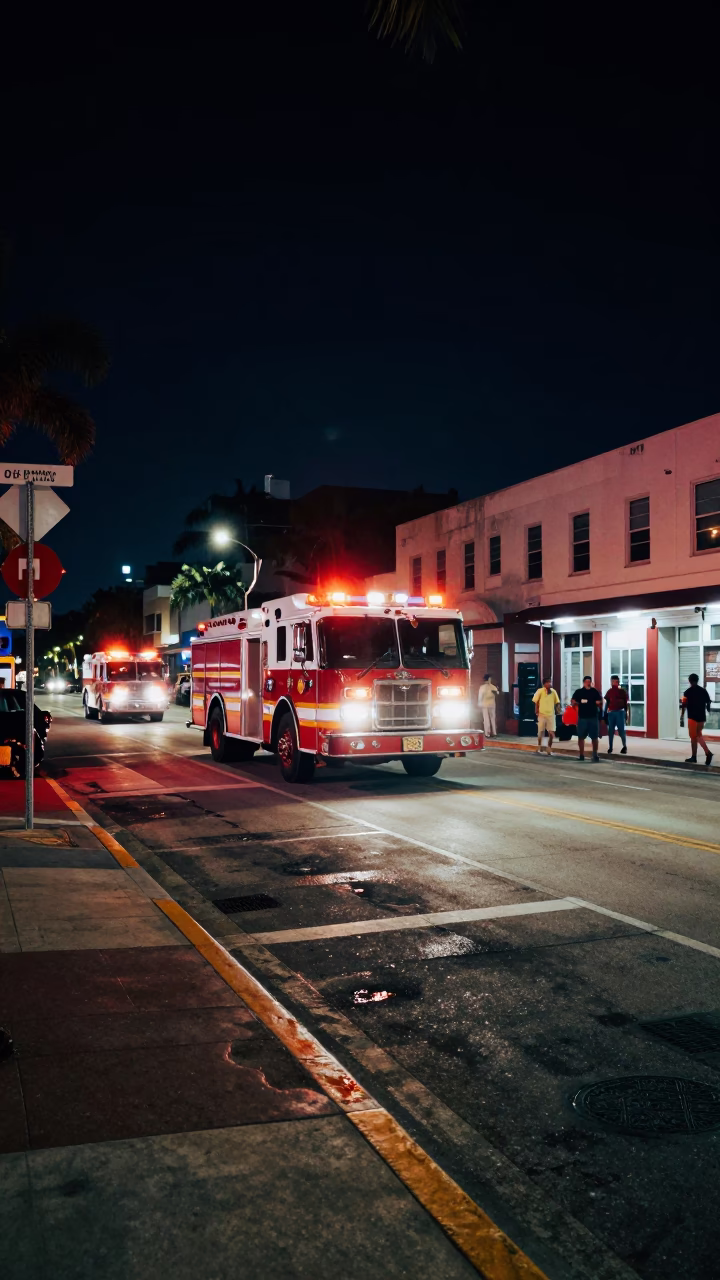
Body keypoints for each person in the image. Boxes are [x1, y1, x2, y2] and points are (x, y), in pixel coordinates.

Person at [680, 673, 714, 767]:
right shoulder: (703, 691)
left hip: (692, 717)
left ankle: (696, 756)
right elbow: (708, 701)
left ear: (690, 681)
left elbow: (684, 705)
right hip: (701, 717)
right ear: (697, 680)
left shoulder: (687, 692)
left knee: (693, 737)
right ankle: (706, 753)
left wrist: (682, 716)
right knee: (698, 735)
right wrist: (707, 708)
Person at [572, 675, 603, 761]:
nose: (588, 683)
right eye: (586, 682)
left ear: (591, 682)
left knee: (594, 737)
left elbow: (600, 701)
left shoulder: (594, 691)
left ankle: (595, 755)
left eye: (589, 682)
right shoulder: (579, 692)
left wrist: (599, 702)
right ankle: (581, 755)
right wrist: (575, 706)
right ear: (583, 682)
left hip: (593, 717)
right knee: (581, 737)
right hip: (582, 718)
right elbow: (573, 701)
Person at [532, 677, 560, 754]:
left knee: (551, 732)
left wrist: (558, 710)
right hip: (542, 714)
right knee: (540, 731)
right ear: (544, 684)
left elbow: (557, 702)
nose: (549, 684)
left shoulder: (553, 692)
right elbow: (536, 701)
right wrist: (536, 710)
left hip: (551, 714)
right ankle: (539, 746)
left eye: (550, 682)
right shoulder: (540, 691)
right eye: (547, 682)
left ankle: (549, 748)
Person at [604, 675, 629, 754]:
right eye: (613, 681)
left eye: (615, 681)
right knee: (610, 731)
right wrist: (605, 713)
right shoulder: (609, 692)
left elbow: (625, 704)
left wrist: (626, 714)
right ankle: (610, 747)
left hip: (620, 712)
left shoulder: (622, 691)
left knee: (621, 730)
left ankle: (624, 746)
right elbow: (607, 703)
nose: (614, 683)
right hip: (611, 713)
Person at [478, 673, 499, 737]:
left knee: (486, 719)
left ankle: (487, 733)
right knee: (493, 718)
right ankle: (494, 732)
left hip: (484, 704)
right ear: (489, 679)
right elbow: (497, 693)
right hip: (492, 704)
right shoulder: (493, 687)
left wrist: (479, 703)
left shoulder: (482, 687)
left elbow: (480, 696)